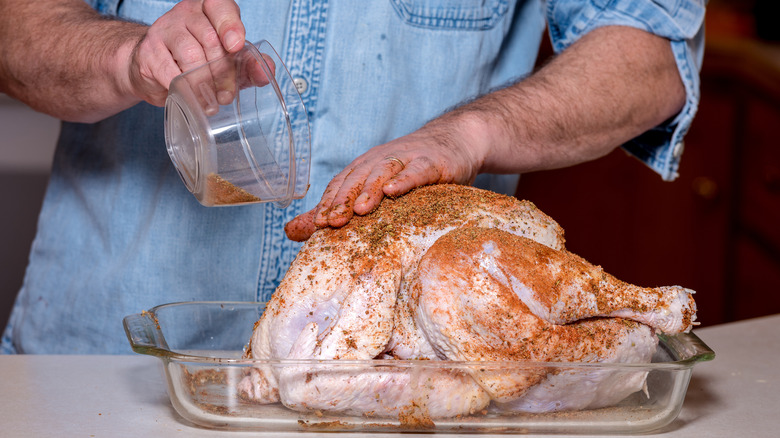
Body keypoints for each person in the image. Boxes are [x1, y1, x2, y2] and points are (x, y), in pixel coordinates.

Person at [0, 0, 706, 354]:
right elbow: (19, 27)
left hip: (411, 382)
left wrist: (471, 131)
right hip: (110, 365)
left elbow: (652, 47)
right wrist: (128, 58)